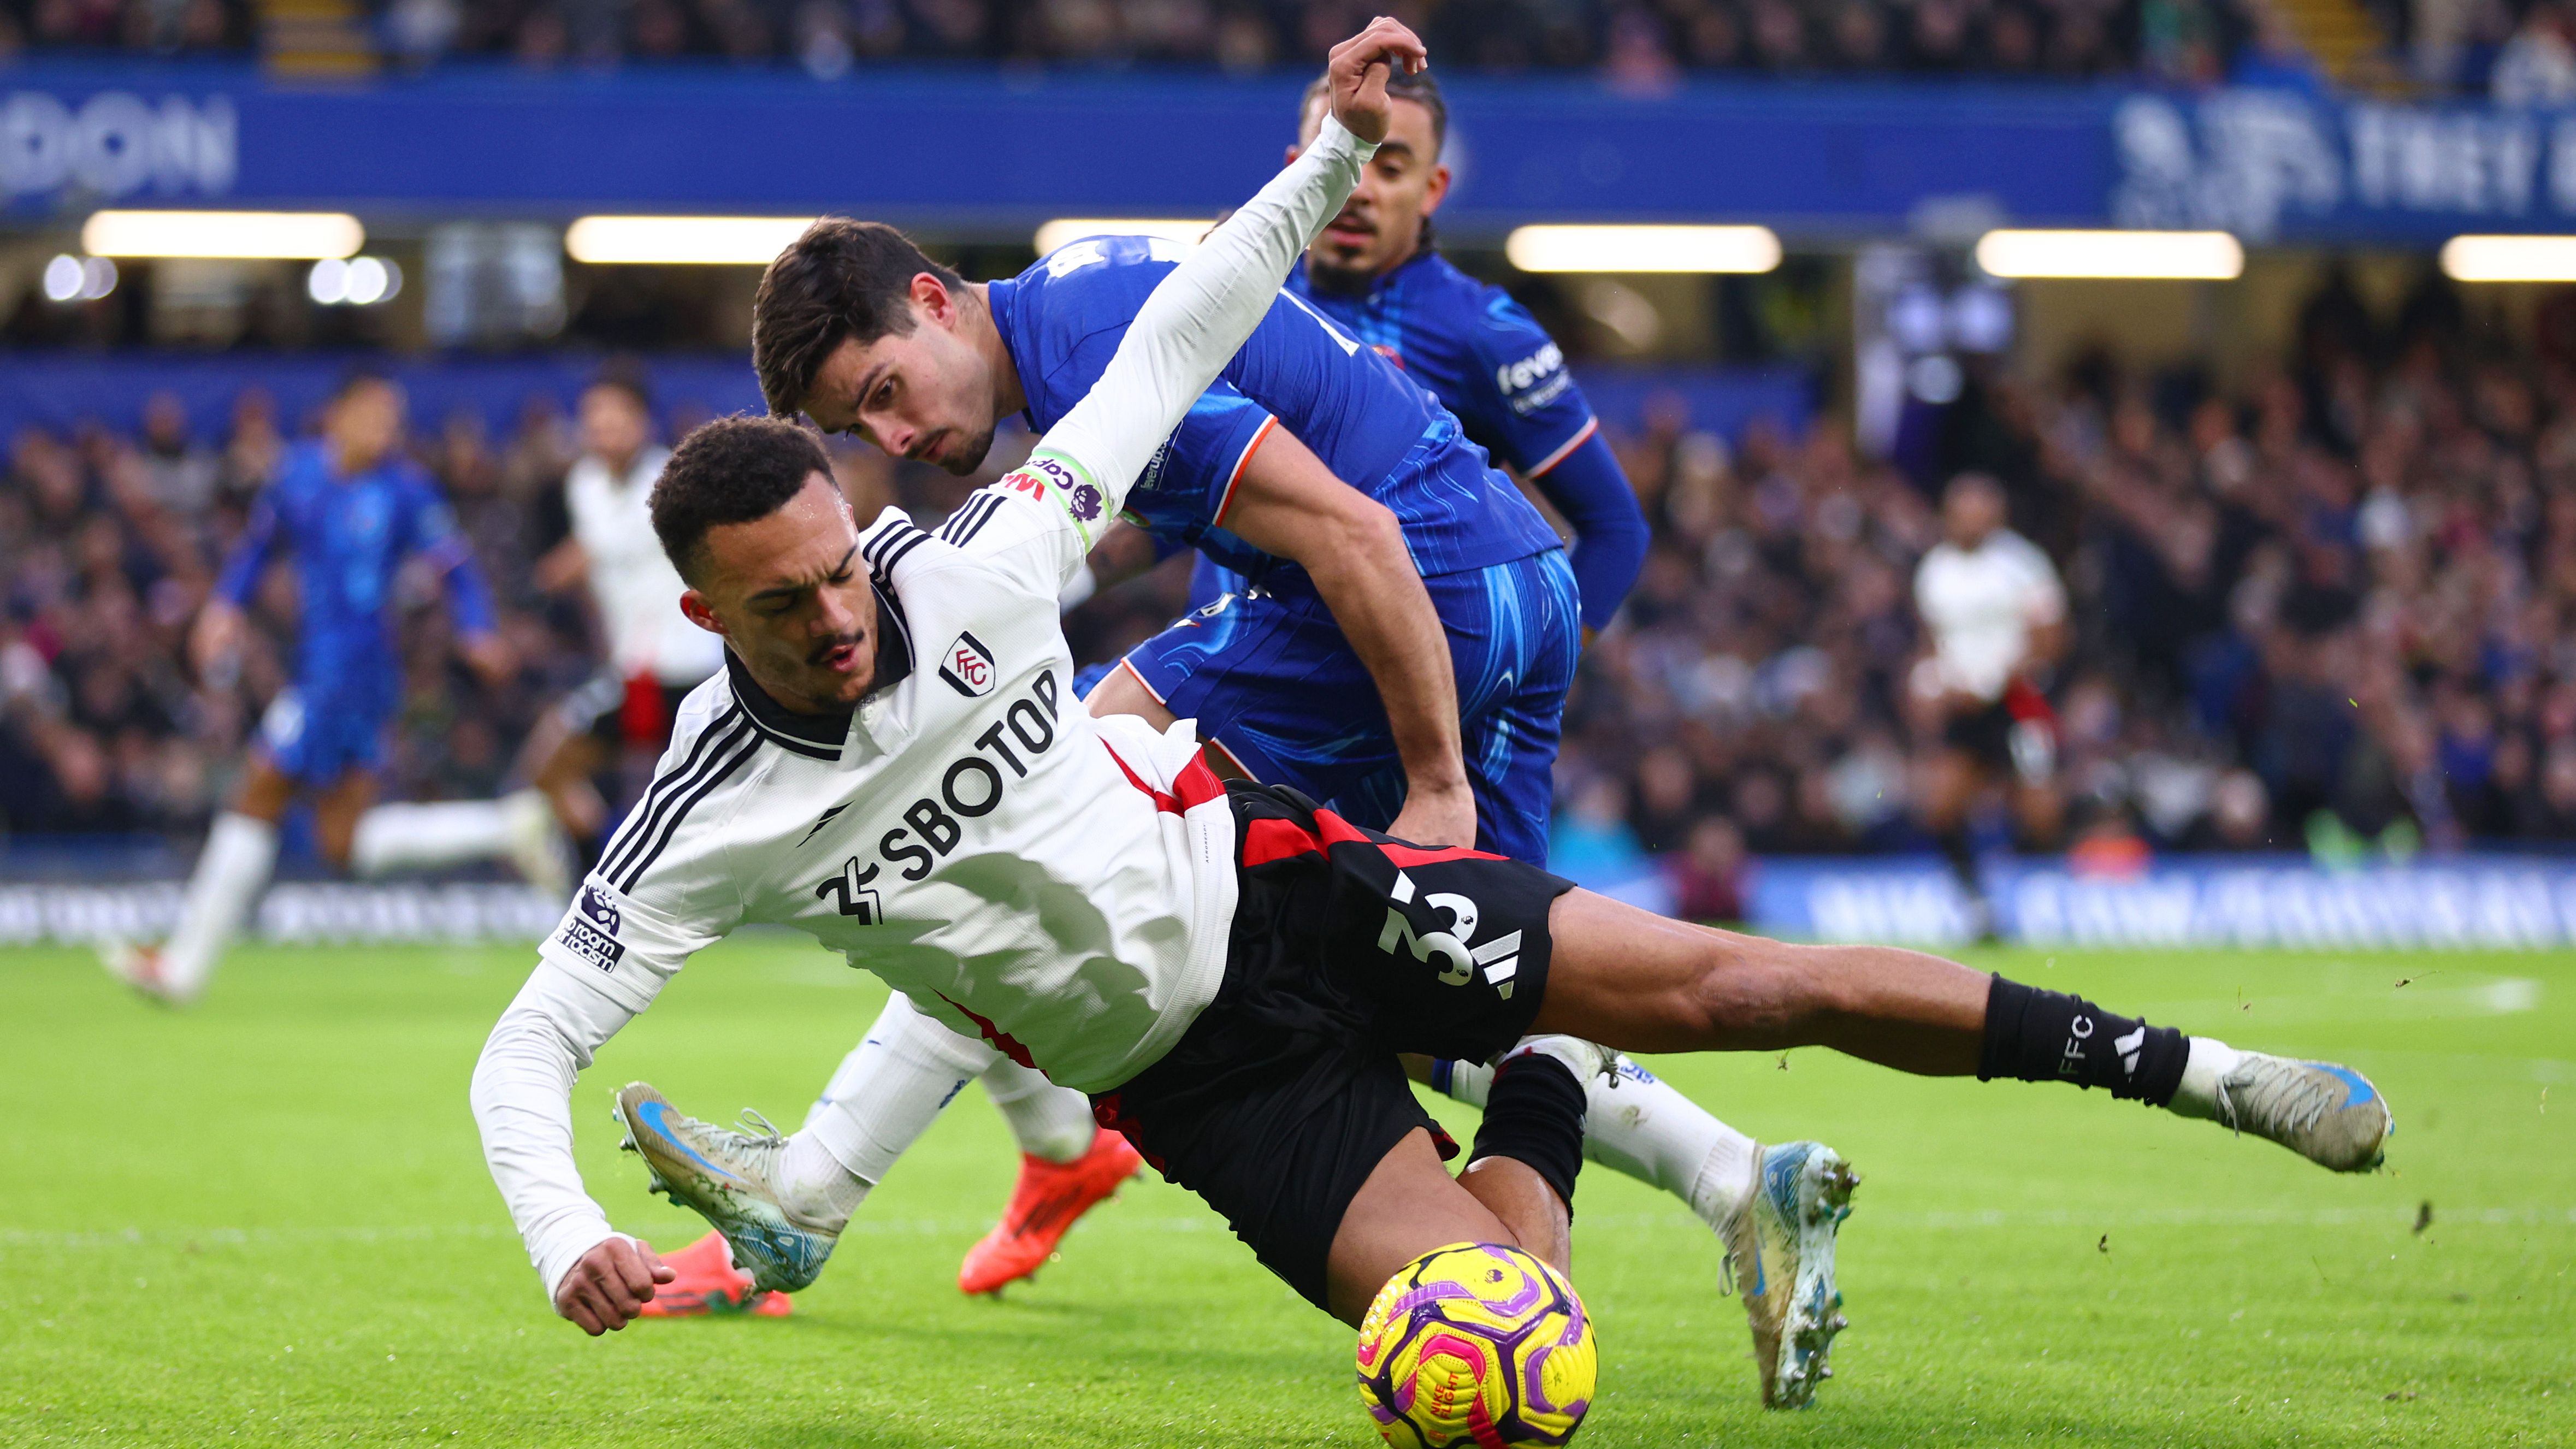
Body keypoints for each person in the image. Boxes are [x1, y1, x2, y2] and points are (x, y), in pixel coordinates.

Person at [468, 43, 2391, 1414]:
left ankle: (2206, 1072)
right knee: (1516, 1342)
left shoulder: (972, 557)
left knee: (1730, 983)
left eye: (844, 551)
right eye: (789, 599)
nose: (839, 603)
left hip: (1301, 869)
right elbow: (529, 1041)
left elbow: (1198, 347)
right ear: (702, 619)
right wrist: (561, 1235)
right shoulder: (701, 803)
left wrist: (1321, 158)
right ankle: (1564, 1110)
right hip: (1210, 1088)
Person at [728, 40, 1846, 1405]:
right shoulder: (1088, 301)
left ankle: (815, 1190)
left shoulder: (1118, 343)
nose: (891, 438)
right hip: (1483, 596)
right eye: (862, 427)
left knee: (1052, 782)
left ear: (931, 301)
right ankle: (1737, 1183)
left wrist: (1433, 774)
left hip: (1419, 592)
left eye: (886, 395)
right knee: (1498, 997)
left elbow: (1360, 525)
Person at [102, 374, 534, 1004]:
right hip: (320, 670)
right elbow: (256, 551)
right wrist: (224, 608)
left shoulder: (407, 490)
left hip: (353, 677)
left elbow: (458, 568)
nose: (387, 428)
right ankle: (504, 826)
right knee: (342, 844)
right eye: (375, 413)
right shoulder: (297, 476)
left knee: (256, 794)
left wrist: (477, 630)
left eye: (395, 416)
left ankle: (184, 968)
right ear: (338, 415)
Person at [517, 372, 727, 888]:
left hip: (692, 670)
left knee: (712, 798)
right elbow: (594, 566)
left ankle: (607, 886)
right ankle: (600, 885)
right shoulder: (584, 483)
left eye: (615, 416)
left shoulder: (672, 480)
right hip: (634, 670)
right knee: (551, 769)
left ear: (643, 422)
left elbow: (591, 553)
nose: (603, 427)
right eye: (593, 417)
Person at [1911, 472, 2067, 936]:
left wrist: (1996, 680)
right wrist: (1929, 682)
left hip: (2018, 701)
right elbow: (1931, 641)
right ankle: (1977, 902)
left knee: (2041, 814)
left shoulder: (2022, 565)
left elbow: (2050, 640)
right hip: (1963, 705)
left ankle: (2037, 897)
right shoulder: (1934, 570)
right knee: (1940, 805)